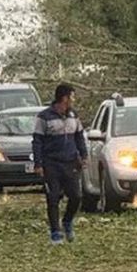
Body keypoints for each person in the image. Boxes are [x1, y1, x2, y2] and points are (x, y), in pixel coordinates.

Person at [31, 83, 88, 244]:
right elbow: (37, 141)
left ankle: (68, 221)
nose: (74, 99)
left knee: (76, 196)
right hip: (51, 164)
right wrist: (38, 163)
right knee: (53, 197)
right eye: (72, 96)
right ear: (64, 98)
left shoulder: (73, 115)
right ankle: (55, 232)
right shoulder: (44, 117)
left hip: (70, 163)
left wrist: (83, 155)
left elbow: (79, 136)